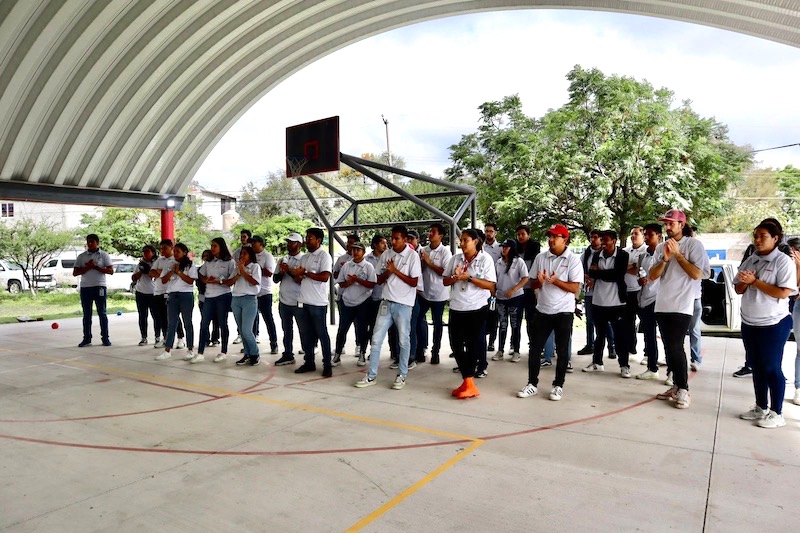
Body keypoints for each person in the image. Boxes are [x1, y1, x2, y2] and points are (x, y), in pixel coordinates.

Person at [735, 222, 796, 428]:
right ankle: (760, 406)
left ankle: (777, 413)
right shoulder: (751, 259)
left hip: (774, 323)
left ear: (775, 238)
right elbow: (739, 289)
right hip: (749, 322)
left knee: (771, 367)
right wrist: (745, 281)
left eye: (763, 236)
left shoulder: (782, 262)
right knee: (757, 366)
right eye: (756, 236)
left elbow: (783, 292)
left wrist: (755, 282)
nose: (758, 240)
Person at [649, 209, 709, 409]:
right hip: (663, 303)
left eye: (671, 223)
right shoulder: (660, 248)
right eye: (666, 224)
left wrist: (678, 255)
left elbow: (696, 273)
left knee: (676, 346)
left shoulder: (694, 245)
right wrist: (666, 258)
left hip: (683, 304)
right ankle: (676, 385)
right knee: (669, 347)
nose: (667, 227)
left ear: (682, 225)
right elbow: (653, 275)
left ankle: (683, 389)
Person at [517, 224, 583, 401]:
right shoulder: (541, 257)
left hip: (564, 312)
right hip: (543, 310)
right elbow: (532, 284)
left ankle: (558, 385)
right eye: (550, 236)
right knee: (535, 349)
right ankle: (532, 384)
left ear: (565, 239)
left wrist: (556, 281)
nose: (551, 240)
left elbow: (575, 287)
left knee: (562, 351)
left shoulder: (573, 260)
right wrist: (539, 281)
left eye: (555, 236)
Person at [354, 225, 421, 390]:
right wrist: (389, 272)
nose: (393, 241)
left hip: (404, 305)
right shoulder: (386, 254)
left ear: (405, 239)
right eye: (392, 238)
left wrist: (395, 270)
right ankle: (371, 375)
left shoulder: (412, 256)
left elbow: (414, 282)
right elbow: (378, 279)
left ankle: (401, 375)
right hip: (386, 302)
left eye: (397, 238)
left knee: (403, 341)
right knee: (376, 340)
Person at [442, 229, 497, 399]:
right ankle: (468, 382)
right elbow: (445, 281)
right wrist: (455, 276)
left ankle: (469, 382)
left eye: (466, 240)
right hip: (457, 307)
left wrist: (469, 278)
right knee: (455, 345)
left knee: (473, 345)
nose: (462, 243)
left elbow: (490, 286)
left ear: (476, 241)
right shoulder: (455, 259)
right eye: (461, 240)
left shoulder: (485, 259)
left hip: (476, 308)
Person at [583, 230, 631, 376]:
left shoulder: (623, 255)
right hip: (599, 301)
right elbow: (592, 273)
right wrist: (603, 273)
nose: (603, 242)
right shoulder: (597, 255)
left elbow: (618, 275)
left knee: (620, 336)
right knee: (600, 334)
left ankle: (624, 365)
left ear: (614, 241)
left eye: (606, 240)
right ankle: (597, 362)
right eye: (602, 239)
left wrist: (601, 273)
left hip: (617, 302)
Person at [291, 228, 334, 377]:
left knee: (322, 334)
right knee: (305, 334)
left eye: (310, 238)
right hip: (303, 301)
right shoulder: (304, 258)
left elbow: (325, 277)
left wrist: (306, 273)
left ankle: (327, 364)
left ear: (318, 240)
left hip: (318, 303)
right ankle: (309, 362)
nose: (307, 240)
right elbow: (298, 279)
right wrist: (296, 275)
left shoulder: (324, 256)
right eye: (306, 237)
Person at [334, 242, 376, 365]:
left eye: (358, 250)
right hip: (347, 302)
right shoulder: (347, 266)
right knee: (342, 329)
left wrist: (357, 280)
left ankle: (362, 353)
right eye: (353, 250)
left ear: (363, 252)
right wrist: (349, 282)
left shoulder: (368, 266)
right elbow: (341, 283)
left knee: (362, 329)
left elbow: (372, 284)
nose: (355, 252)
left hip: (363, 302)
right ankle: (337, 354)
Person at [195, 238, 236, 363]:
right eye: (211, 246)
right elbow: (200, 274)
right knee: (204, 324)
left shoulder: (230, 262)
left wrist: (219, 281)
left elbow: (231, 280)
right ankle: (200, 352)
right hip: (209, 296)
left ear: (221, 247)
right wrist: (205, 280)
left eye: (215, 246)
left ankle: (223, 351)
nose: (212, 248)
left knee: (222, 324)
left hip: (223, 296)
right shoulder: (209, 262)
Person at [155, 243, 197, 361]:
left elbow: (190, 281)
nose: (175, 253)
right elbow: (163, 280)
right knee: (171, 323)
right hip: (172, 295)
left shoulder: (190, 265)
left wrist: (179, 272)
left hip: (186, 295)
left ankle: (190, 349)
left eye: (178, 251)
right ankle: (167, 350)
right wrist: (172, 271)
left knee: (187, 322)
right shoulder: (170, 263)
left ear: (184, 252)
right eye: (175, 251)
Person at [578, 229, 616, 358]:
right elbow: (580, 269)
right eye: (591, 237)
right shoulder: (586, 253)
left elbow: (607, 272)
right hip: (589, 291)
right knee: (589, 320)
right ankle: (590, 345)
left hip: (602, 292)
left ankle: (612, 346)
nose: (592, 239)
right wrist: (587, 276)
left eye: (595, 237)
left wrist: (595, 276)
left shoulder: (604, 253)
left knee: (606, 322)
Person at [419, 223, 452, 365]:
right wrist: (422, 262)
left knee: (437, 324)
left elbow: (445, 273)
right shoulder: (423, 250)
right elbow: (418, 270)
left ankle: (435, 352)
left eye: (433, 232)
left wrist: (429, 262)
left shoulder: (445, 252)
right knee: (417, 320)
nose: (430, 234)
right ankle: (420, 349)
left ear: (441, 236)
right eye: (430, 231)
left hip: (439, 294)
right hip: (424, 293)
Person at [73, 234, 114, 347]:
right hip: (86, 287)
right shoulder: (81, 256)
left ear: (97, 243)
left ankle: (105, 338)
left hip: (99, 286)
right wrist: (87, 267)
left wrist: (95, 266)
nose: (90, 244)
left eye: (92, 242)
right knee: (87, 314)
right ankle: (87, 338)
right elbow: (75, 272)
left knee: (102, 313)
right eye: (88, 242)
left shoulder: (104, 255)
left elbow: (110, 271)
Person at [492, 239, 528, 362]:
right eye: (503, 247)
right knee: (502, 325)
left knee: (515, 325)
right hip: (501, 297)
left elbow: (525, 278)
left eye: (507, 247)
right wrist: (493, 291)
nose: (504, 249)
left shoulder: (519, 262)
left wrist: (514, 289)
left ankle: (516, 351)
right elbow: (495, 279)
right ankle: (500, 350)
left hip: (516, 298)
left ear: (512, 249)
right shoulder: (498, 262)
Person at [635, 224, 663, 380]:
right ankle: (652, 368)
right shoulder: (643, 256)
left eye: (649, 234)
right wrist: (641, 280)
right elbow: (640, 274)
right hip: (645, 298)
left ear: (659, 235)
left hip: (660, 299)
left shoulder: (664, 255)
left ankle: (672, 372)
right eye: (644, 234)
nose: (646, 237)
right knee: (649, 336)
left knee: (666, 338)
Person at [273, 233, 305, 366]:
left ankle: (308, 355)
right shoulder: (282, 259)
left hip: (299, 300)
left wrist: (289, 271)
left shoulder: (304, 259)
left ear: (299, 244)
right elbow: (275, 279)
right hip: (284, 300)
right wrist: (281, 272)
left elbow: (301, 281)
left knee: (303, 329)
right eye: (288, 242)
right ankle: (288, 354)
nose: (289, 244)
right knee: (286, 329)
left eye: (292, 242)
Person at [150, 239, 185, 350]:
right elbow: (151, 272)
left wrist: (160, 272)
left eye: (164, 248)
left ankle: (180, 339)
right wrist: (160, 272)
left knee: (174, 317)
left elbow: (167, 274)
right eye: (161, 248)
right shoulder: (159, 260)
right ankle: (165, 338)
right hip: (158, 291)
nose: (162, 250)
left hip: (169, 291)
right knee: (161, 317)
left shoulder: (175, 260)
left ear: (171, 247)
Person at [231, 246, 262, 366]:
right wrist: (238, 273)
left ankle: (255, 353)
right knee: (241, 330)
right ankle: (247, 354)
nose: (241, 256)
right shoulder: (237, 267)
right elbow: (230, 282)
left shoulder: (255, 267)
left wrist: (243, 271)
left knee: (246, 330)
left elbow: (255, 282)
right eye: (240, 254)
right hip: (236, 299)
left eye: (244, 254)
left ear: (250, 255)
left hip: (249, 299)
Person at [251, 235, 279, 354]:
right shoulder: (251, 256)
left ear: (261, 244)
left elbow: (269, 272)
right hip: (252, 292)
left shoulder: (267, 256)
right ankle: (251, 344)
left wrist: (256, 269)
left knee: (268, 319)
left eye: (254, 243)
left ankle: (274, 343)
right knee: (251, 320)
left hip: (264, 292)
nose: (252, 245)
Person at [363, 234, 387, 365]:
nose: (385, 245)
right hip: (372, 297)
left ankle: (394, 352)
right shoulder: (367, 260)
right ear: (375, 245)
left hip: (386, 297)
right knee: (372, 326)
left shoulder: (388, 258)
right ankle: (371, 351)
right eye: (382, 243)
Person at [333, 233, 359, 357]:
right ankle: (340, 348)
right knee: (343, 324)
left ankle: (359, 346)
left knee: (358, 324)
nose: (349, 245)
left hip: (358, 298)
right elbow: (334, 274)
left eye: (352, 243)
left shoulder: (363, 261)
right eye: (348, 242)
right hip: (343, 295)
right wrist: (343, 271)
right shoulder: (341, 259)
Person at [623, 226, 646, 357]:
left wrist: (633, 267)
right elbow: (621, 267)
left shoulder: (646, 251)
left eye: (636, 234)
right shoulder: (625, 251)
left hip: (641, 291)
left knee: (645, 322)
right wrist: (633, 265)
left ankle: (648, 352)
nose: (633, 236)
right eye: (631, 234)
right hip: (627, 291)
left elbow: (640, 269)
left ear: (643, 236)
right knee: (628, 322)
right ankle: (630, 347)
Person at [132, 244, 157, 346]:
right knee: (142, 316)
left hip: (153, 293)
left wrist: (148, 269)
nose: (145, 253)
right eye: (143, 251)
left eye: (147, 251)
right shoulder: (140, 264)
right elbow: (134, 278)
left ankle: (158, 337)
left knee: (156, 316)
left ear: (153, 253)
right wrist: (141, 271)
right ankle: (144, 337)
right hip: (141, 292)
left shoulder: (156, 263)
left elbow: (154, 276)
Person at [195, 250, 220, 348]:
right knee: (205, 319)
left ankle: (215, 338)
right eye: (204, 256)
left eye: (208, 255)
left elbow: (222, 278)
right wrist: (206, 281)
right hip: (203, 297)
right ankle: (206, 339)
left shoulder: (216, 268)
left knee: (216, 320)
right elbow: (198, 283)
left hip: (215, 296)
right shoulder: (199, 270)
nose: (206, 257)